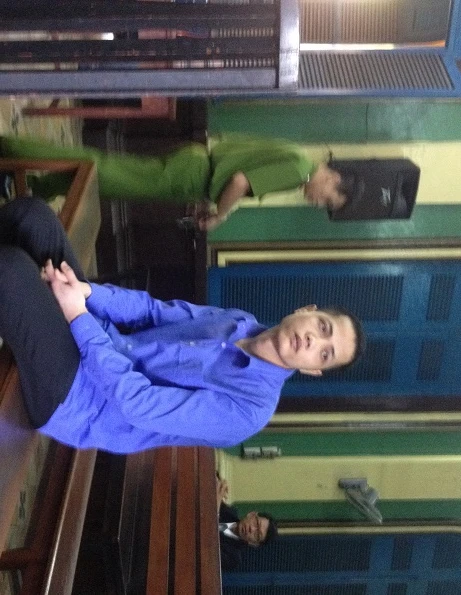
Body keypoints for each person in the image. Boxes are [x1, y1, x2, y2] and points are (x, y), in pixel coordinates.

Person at [0, 197, 365, 454]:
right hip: (103, 339)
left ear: (313, 370)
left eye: (325, 353)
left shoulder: (250, 411)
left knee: (12, 272)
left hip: (84, 400)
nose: (313, 341)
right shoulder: (240, 322)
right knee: (31, 218)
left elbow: (138, 404)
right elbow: (152, 311)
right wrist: (87, 293)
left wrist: (78, 317)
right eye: (323, 327)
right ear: (306, 310)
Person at [0, 134, 360, 230]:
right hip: (192, 175)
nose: (318, 203)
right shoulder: (298, 171)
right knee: (101, 172)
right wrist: (220, 215)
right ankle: (12, 150)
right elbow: (238, 181)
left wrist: (211, 200)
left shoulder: (298, 156)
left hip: (195, 168)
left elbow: (234, 168)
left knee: (105, 177)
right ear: (333, 177)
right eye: (327, 199)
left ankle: (31, 184)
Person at [216, 477, 277, 571]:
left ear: (253, 544)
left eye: (257, 534)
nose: (251, 529)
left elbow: (206, 551)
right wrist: (218, 483)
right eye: (256, 523)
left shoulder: (232, 558)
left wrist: (216, 506)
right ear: (251, 514)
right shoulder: (229, 511)